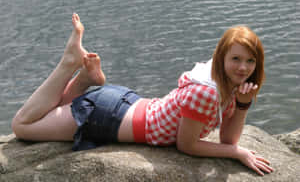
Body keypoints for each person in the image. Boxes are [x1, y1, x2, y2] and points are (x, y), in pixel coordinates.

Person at [11, 13, 273, 176]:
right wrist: (238, 153)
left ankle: (85, 80)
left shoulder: (225, 84)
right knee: (22, 126)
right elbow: (187, 146)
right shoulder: (206, 93)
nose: (243, 67)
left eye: (250, 61)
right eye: (236, 59)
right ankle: (68, 63)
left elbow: (227, 137)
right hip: (106, 117)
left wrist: (242, 105)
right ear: (221, 58)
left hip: (124, 105)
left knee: (56, 111)